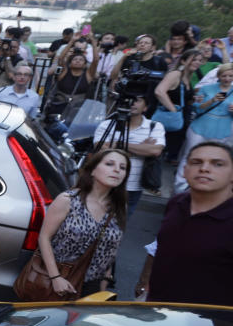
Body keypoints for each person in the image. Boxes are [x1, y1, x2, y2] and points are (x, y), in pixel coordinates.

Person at [135, 142, 233, 305]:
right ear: (185, 170)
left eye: (217, 164)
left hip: (211, 324)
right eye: (196, 162)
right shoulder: (177, 203)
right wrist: (145, 282)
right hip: (157, 312)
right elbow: (161, 248)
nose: (204, 168)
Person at [37, 149, 129, 297]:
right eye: (109, 164)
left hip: (93, 285)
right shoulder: (68, 200)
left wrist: (105, 281)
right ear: (92, 170)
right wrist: (55, 277)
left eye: (123, 167)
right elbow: (44, 238)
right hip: (58, 278)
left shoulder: (119, 206)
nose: (117, 170)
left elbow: (111, 247)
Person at [93, 96, 165, 216]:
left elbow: (155, 150)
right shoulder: (107, 125)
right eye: (128, 99)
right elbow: (100, 148)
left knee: (119, 226)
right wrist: (140, 148)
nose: (131, 103)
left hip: (132, 187)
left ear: (145, 107)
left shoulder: (155, 126)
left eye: (137, 100)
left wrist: (117, 145)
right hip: (103, 183)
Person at [173, 63, 233, 191]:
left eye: (230, 76)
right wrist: (211, 101)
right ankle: (180, 188)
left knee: (215, 159)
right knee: (190, 156)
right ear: (218, 76)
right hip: (200, 127)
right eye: (224, 75)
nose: (227, 78)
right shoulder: (207, 88)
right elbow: (197, 109)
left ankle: (206, 188)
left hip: (222, 130)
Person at [153, 49, 204, 163]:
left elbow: (181, 97)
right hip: (170, 120)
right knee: (158, 155)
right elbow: (159, 91)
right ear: (183, 61)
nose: (197, 62)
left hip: (180, 122)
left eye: (200, 60)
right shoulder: (176, 74)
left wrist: (193, 98)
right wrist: (173, 110)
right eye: (193, 59)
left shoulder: (188, 76)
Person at [109, 34, 168, 103]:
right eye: (140, 43)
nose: (142, 45)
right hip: (126, 98)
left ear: (152, 47)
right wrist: (123, 57)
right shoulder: (129, 59)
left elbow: (165, 81)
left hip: (149, 100)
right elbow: (113, 76)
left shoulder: (159, 61)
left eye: (146, 43)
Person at [45, 43, 99, 116]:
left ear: (85, 64)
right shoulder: (64, 71)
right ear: (70, 63)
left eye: (81, 60)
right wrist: (72, 40)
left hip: (77, 109)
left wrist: (93, 41)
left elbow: (95, 60)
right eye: (75, 59)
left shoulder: (88, 75)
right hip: (59, 106)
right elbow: (61, 58)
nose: (78, 61)